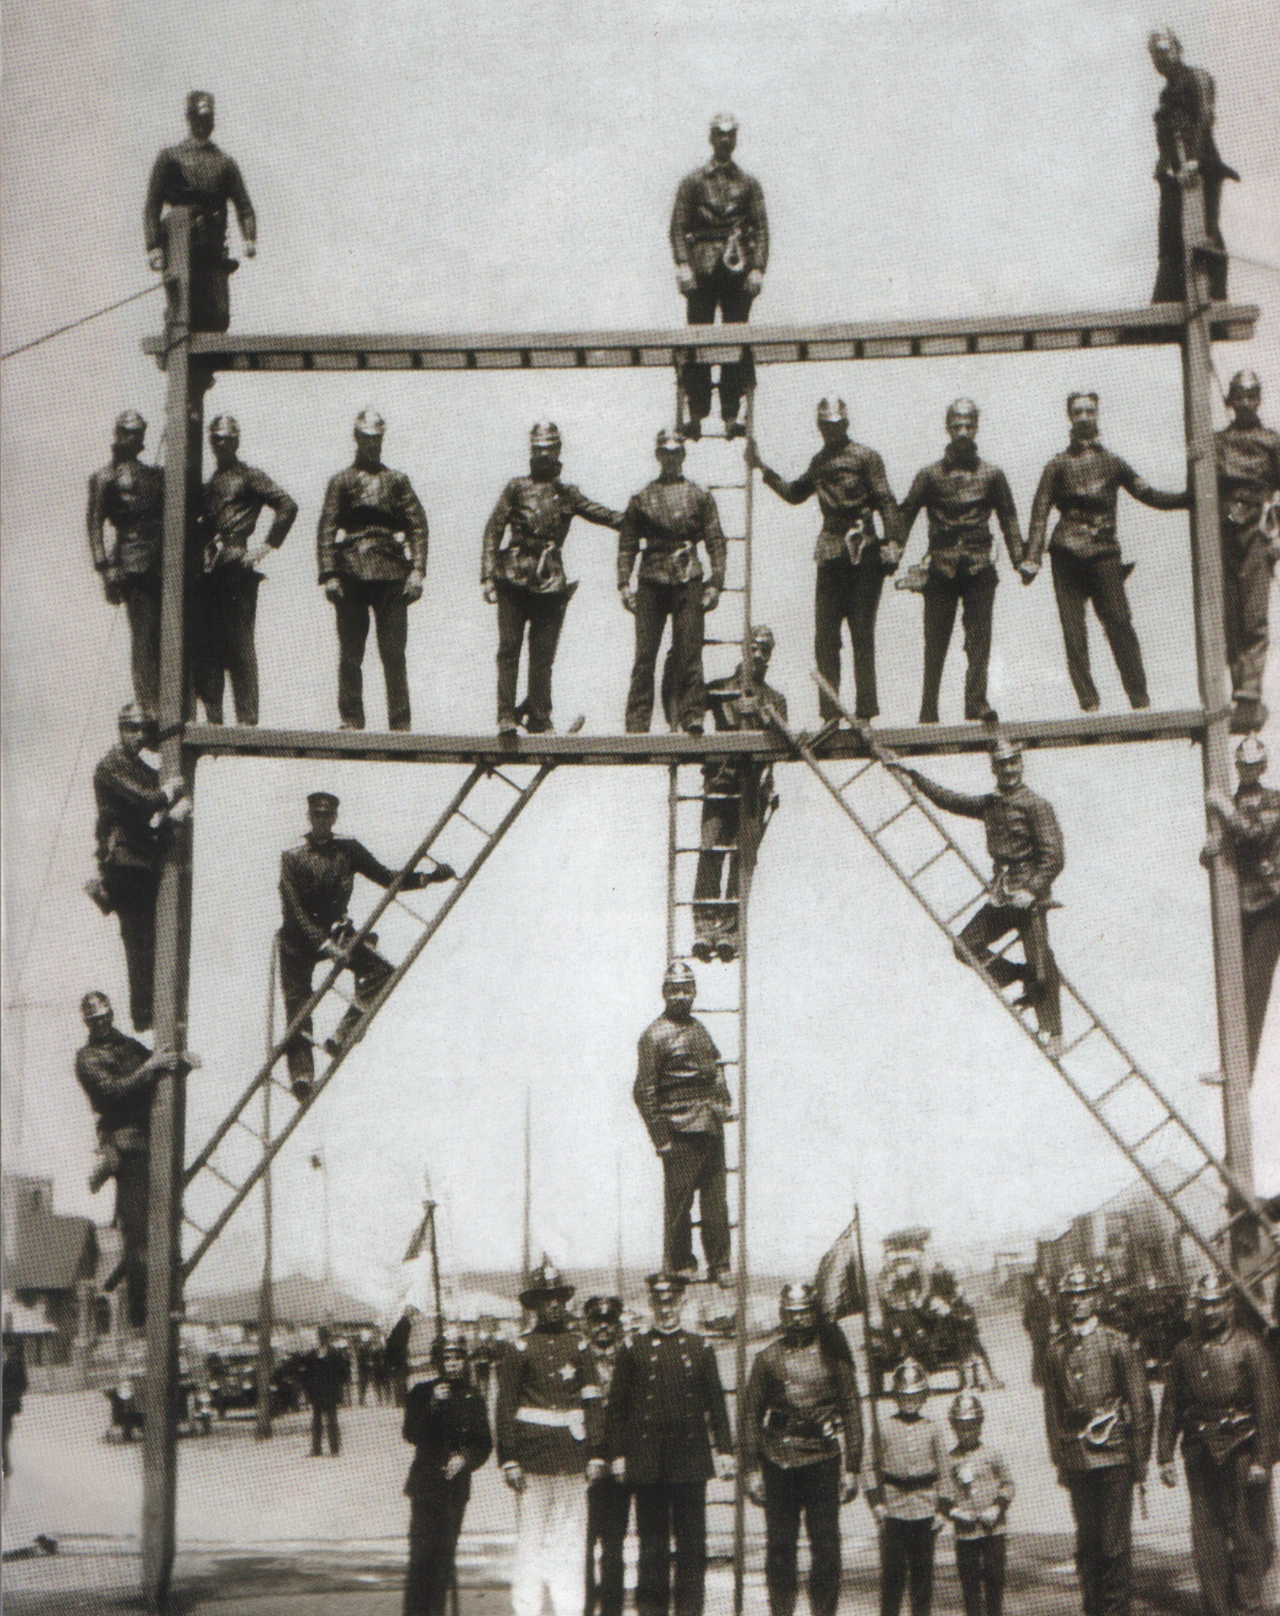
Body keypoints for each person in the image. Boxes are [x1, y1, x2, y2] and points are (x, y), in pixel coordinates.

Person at [277, 790, 454, 1099]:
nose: (323, 821)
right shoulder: (292, 856)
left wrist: (427, 878)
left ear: (334, 818)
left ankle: (343, 1033)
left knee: (381, 970)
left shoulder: (347, 849)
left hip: (334, 929)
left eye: (328, 816)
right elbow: (293, 909)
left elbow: (386, 877)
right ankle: (302, 1076)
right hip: (299, 939)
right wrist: (322, 944)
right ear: (309, 817)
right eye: (317, 815)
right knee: (298, 1007)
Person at [893, 740, 1064, 1055]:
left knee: (1042, 968)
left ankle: (1055, 1034)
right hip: (1003, 894)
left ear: (1021, 764)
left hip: (1029, 898)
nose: (1008, 770)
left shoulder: (1036, 805)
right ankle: (1017, 974)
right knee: (964, 947)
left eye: (1013, 763)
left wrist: (1032, 890)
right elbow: (951, 801)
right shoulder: (991, 804)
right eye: (1002, 765)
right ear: (994, 768)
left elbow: (1054, 857)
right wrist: (913, 775)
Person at [1022, 392, 1188, 714]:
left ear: (1097, 414)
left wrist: (1189, 497)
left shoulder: (1114, 463)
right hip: (1066, 553)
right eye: (1077, 411)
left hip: (1104, 551)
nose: (1084, 417)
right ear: (1069, 417)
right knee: (1074, 632)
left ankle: (1140, 699)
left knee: (1119, 622)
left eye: (1089, 411)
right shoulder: (1056, 465)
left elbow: (1148, 493)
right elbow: (1040, 513)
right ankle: (1089, 702)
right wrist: (1033, 557)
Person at [749, 400, 905, 722]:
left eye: (836, 424)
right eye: (826, 425)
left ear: (845, 424)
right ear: (820, 427)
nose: (831, 430)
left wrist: (894, 541)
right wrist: (762, 469)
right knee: (825, 636)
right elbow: (794, 493)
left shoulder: (866, 457)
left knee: (862, 633)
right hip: (831, 553)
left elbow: (886, 500)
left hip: (864, 555)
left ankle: (865, 710)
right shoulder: (820, 462)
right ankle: (830, 712)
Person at [605, 1272, 734, 1616]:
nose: (666, 1309)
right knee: (652, 1546)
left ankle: (691, 1611)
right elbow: (616, 1407)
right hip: (647, 1460)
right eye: (659, 1302)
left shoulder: (700, 1347)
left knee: (693, 1546)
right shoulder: (634, 1348)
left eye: (672, 1301)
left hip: (690, 1461)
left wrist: (725, 1450)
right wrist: (617, 1454)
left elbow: (717, 1404)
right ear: (650, 1304)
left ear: (683, 1302)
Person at [481, 422, 622, 735]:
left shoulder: (567, 493)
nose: (543, 455)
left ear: (558, 452)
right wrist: (488, 576)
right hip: (514, 574)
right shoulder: (516, 487)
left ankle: (539, 715)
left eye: (549, 449)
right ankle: (506, 715)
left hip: (549, 580)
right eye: (538, 449)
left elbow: (603, 514)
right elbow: (494, 529)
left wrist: (639, 519)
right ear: (531, 452)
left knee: (543, 655)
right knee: (509, 648)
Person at [1157, 1272, 1279, 1616]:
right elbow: (1171, 1405)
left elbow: (1268, 1409)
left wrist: (1262, 1460)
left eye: (1217, 1304)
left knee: (1248, 1533)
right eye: (1204, 1304)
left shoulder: (1250, 1346)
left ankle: (1249, 1604)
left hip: (1243, 1451)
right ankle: (1217, 1607)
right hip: (1200, 1452)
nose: (1210, 1312)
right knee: (1207, 1537)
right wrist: (1164, 1454)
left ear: (1230, 1305)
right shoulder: (1184, 1351)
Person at [896, 400, 1023, 724]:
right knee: (935, 639)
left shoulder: (993, 474)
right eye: (957, 426)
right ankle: (928, 706)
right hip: (941, 565)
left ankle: (976, 702)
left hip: (980, 565)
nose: (963, 432)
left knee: (979, 638)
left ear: (976, 427)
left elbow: (1008, 518)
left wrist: (1021, 558)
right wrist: (893, 549)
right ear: (948, 428)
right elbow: (905, 513)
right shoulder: (929, 475)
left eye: (968, 425)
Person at [742, 1283, 864, 1616]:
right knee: (780, 1547)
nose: (798, 1320)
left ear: (814, 1313)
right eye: (791, 1314)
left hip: (823, 1460)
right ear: (782, 1315)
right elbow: (750, 1415)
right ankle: (781, 1610)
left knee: (826, 1547)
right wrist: (751, 1470)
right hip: (778, 1460)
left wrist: (853, 1466)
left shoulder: (835, 1355)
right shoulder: (767, 1359)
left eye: (804, 1313)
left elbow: (852, 1409)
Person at [74, 992, 193, 1329]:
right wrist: (151, 1068)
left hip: (153, 1139)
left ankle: (165, 1296)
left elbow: (157, 1061)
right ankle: (144, 1312)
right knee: (140, 1230)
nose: (103, 1024)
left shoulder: (126, 1045)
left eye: (106, 1017)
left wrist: (180, 1061)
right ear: (88, 1023)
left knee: (169, 1220)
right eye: (96, 1021)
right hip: (126, 1144)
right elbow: (113, 1092)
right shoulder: (87, 1059)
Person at [1042, 1266, 1153, 1616]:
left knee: (1113, 1547)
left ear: (1097, 1298)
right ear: (1063, 1301)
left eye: (1085, 1294)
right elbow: (1052, 1409)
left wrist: (1140, 1457)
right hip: (1077, 1456)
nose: (1078, 1303)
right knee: (1087, 1545)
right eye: (1072, 1296)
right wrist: (1059, 1458)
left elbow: (1141, 1404)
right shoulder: (1055, 1350)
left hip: (1114, 1454)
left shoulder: (1117, 1344)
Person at [496, 1262, 604, 1616]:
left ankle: (569, 1610)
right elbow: (506, 1405)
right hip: (532, 1459)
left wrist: (597, 1453)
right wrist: (508, 1458)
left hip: (573, 1457)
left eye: (559, 1298)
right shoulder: (520, 1348)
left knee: (571, 1542)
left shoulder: (580, 1346)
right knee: (530, 1541)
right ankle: (526, 1609)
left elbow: (592, 1402)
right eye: (546, 1299)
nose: (554, 1305)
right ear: (534, 1305)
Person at [318, 410, 430, 732]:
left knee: (394, 653)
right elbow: (327, 526)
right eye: (367, 439)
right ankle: (351, 719)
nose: (372, 445)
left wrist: (417, 570)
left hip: (392, 571)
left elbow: (417, 524)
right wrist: (329, 573)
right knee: (351, 653)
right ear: (357, 439)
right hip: (351, 571)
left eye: (377, 439)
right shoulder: (341, 481)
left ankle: (400, 721)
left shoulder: (397, 480)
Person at [86, 703, 190, 1033]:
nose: (138, 736)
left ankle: (150, 1011)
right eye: (132, 729)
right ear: (121, 729)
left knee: (152, 936)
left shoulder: (136, 765)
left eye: (142, 730)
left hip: (141, 859)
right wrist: (169, 792)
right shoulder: (111, 766)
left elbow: (155, 790)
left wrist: (172, 799)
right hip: (125, 863)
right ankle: (144, 1013)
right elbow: (144, 800)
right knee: (139, 939)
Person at [618, 431, 727, 735]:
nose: (670, 458)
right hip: (652, 578)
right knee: (644, 656)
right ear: (658, 456)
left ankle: (692, 714)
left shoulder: (699, 495)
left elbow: (716, 541)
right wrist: (624, 585)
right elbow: (627, 544)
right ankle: (637, 722)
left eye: (676, 453)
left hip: (688, 577)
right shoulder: (641, 498)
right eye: (665, 453)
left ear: (683, 456)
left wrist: (716, 583)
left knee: (689, 650)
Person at [192, 415, 297, 727]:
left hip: (236, 564)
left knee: (239, 643)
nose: (221, 444)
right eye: (216, 439)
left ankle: (247, 718)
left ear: (236, 441)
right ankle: (214, 717)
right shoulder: (209, 485)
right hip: (210, 567)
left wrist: (263, 549)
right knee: (208, 644)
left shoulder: (250, 476)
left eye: (226, 438)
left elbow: (287, 506)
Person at [633, 961, 733, 1284]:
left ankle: (719, 1264)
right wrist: (661, 1138)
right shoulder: (653, 1036)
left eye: (686, 989)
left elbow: (716, 1068)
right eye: (674, 989)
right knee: (679, 1205)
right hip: (679, 1131)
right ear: (664, 993)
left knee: (716, 1203)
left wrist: (723, 1103)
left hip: (710, 1126)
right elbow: (643, 1091)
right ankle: (681, 1264)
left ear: (694, 992)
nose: (681, 995)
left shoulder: (699, 1028)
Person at [669, 114, 768, 439]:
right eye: (720, 135)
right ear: (711, 138)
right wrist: (683, 264)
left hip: (737, 268)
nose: (725, 141)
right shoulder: (693, 181)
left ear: (735, 139)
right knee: (697, 340)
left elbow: (763, 229)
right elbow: (678, 227)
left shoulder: (749, 184)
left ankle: (730, 413)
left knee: (735, 341)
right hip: (702, 268)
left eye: (731, 135)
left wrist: (757, 268)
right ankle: (696, 411)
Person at [693, 627, 787, 962]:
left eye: (765, 650)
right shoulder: (719, 689)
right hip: (721, 781)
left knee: (743, 860)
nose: (759, 655)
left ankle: (730, 932)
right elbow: (687, 706)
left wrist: (762, 714)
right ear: (743, 649)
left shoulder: (775, 699)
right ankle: (705, 928)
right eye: (754, 648)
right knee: (709, 850)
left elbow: (783, 740)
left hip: (752, 785)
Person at [144, 91, 256, 334]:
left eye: (207, 118)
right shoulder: (170, 158)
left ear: (213, 121)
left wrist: (249, 238)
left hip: (212, 247)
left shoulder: (224, 163)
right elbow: (153, 204)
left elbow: (244, 206)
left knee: (217, 319)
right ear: (189, 119)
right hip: (179, 245)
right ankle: (175, 338)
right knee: (181, 315)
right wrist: (153, 246)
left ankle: (202, 370)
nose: (203, 124)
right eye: (198, 118)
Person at [402, 1328, 493, 1616]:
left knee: (444, 1559)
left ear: (464, 1361)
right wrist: (432, 1404)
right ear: (436, 1362)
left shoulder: (473, 1396)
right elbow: (411, 1433)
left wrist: (465, 1459)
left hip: (455, 1488)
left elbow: (484, 1443)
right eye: (446, 1358)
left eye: (457, 1358)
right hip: (425, 1485)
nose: (452, 1363)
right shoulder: (421, 1392)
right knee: (420, 1557)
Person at [1204, 736, 1280, 1077]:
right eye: (1242, 766)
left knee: (1253, 983)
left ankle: (1241, 1068)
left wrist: (1224, 808)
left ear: (1262, 767)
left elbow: (1254, 834)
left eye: (1253, 766)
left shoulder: (1274, 801)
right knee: (1232, 983)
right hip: (1240, 904)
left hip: (1270, 904)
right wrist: (1208, 853)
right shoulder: (1229, 802)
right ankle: (1231, 1064)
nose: (1247, 771)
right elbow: (1224, 849)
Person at [1148, 30, 1238, 305]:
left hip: (1200, 169)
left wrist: (1194, 159)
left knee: (1204, 233)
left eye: (1164, 51)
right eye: (1155, 54)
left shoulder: (1196, 77)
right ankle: (1170, 298)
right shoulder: (1166, 93)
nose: (1160, 59)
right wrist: (1164, 165)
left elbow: (1203, 116)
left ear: (1177, 49)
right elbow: (1167, 134)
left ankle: (1213, 294)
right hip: (1177, 173)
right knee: (1172, 234)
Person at [85, 412, 166, 716]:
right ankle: (149, 703)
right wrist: (105, 569)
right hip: (132, 562)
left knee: (164, 633)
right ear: (118, 434)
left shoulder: (153, 474)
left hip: (161, 560)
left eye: (138, 433)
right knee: (144, 635)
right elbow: (94, 525)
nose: (134, 438)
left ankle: (169, 698)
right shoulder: (105, 477)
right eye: (128, 432)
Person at [1215, 371, 1280, 734]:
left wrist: (1277, 535)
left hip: (1257, 530)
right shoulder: (1217, 441)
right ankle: (1238, 691)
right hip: (1223, 532)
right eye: (1239, 395)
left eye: (1252, 395)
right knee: (1228, 616)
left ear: (1259, 399)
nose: (1246, 402)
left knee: (1254, 616)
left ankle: (1250, 693)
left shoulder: (1272, 442)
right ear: (1230, 399)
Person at [866, 1358, 947, 1616]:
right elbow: (869, 1466)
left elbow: (944, 1470)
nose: (909, 1401)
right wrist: (877, 1503)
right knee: (892, 1576)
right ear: (895, 1396)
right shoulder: (884, 1427)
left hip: (924, 1507)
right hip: (894, 1506)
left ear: (924, 1396)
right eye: (904, 1396)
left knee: (922, 1576)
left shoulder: (932, 1428)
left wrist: (943, 1509)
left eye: (915, 1396)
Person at [938, 1394, 1015, 1616]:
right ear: (953, 1427)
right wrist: (955, 1512)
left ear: (980, 1424)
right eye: (961, 1426)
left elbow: (1008, 1485)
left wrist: (997, 1508)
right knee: (970, 1585)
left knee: (995, 1581)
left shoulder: (992, 1454)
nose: (966, 1431)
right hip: (966, 1533)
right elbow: (942, 1493)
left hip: (994, 1530)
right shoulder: (949, 1459)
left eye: (971, 1425)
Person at [583, 1296, 630, 1616]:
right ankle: (584, 1606)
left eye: (609, 1322)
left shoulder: (630, 1358)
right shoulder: (577, 1360)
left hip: (617, 1463)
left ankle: (612, 1609)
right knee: (582, 1543)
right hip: (584, 1462)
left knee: (614, 1544)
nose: (603, 1327)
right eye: (597, 1321)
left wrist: (623, 1454)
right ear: (588, 1325)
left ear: (618, 1325)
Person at [303, 1325, 349, 1456]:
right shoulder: (312, 1354)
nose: (322, 1340)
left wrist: (338, 1386)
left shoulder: (335, 1354)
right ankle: (316, 1449)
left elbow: (344, 1372)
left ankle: (334, 1450)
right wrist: (309, 1389)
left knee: (332, 1422)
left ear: (328, 1339)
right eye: (320, 1337)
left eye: (324, 1337)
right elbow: (307, 1372)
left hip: (331, 1393)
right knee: (316, 1422)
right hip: (317, 1393)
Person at [3, 1332, 28, 1510]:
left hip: (5, 1408)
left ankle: (5, 1472)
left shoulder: (16, 1362)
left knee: (3, 1439)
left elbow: (23, 1384)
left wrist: (10, 1398)